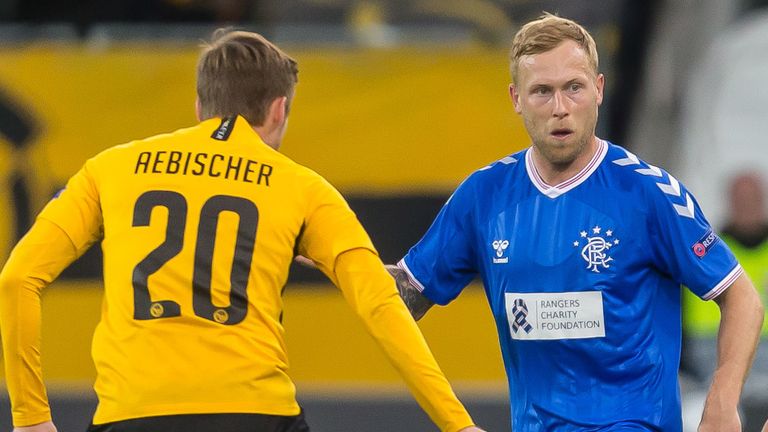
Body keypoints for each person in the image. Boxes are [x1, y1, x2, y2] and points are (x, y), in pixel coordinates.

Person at [0, 30, 484, 432]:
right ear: (279, 109)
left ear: (198, 105)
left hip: (131, 414)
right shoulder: (303, 187)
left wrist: (30, 417)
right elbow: (381, 305)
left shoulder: (109, 169)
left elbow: (16, 279)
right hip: (254, 413)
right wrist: (458, 425)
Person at [386, 13, 765, 432]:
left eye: (574, 88)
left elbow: (741, 297)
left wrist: (721, 404)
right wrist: (341, 258)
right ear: (515, 98)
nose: (561, 108)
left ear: (598, 89)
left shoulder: (648, 193)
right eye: (542, 92)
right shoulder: (484, 195)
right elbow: (402, 298)